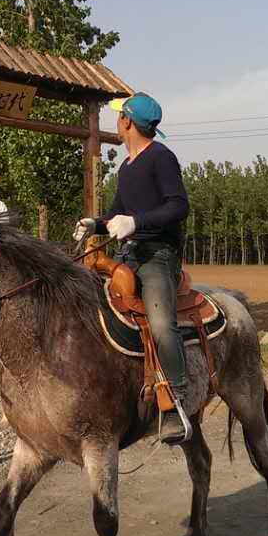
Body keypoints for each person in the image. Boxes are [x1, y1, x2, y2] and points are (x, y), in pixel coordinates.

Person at [73, 92, 192, 444]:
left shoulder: (161, 158)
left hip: (158, 256)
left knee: (160, 323)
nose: (116, 122)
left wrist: (137, 222)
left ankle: (175, 403)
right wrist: (95, 224)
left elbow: (179, 206)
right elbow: (117, 213)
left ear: (127, 122)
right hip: (129, 254)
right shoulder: (127, 166)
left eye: (118, 116)